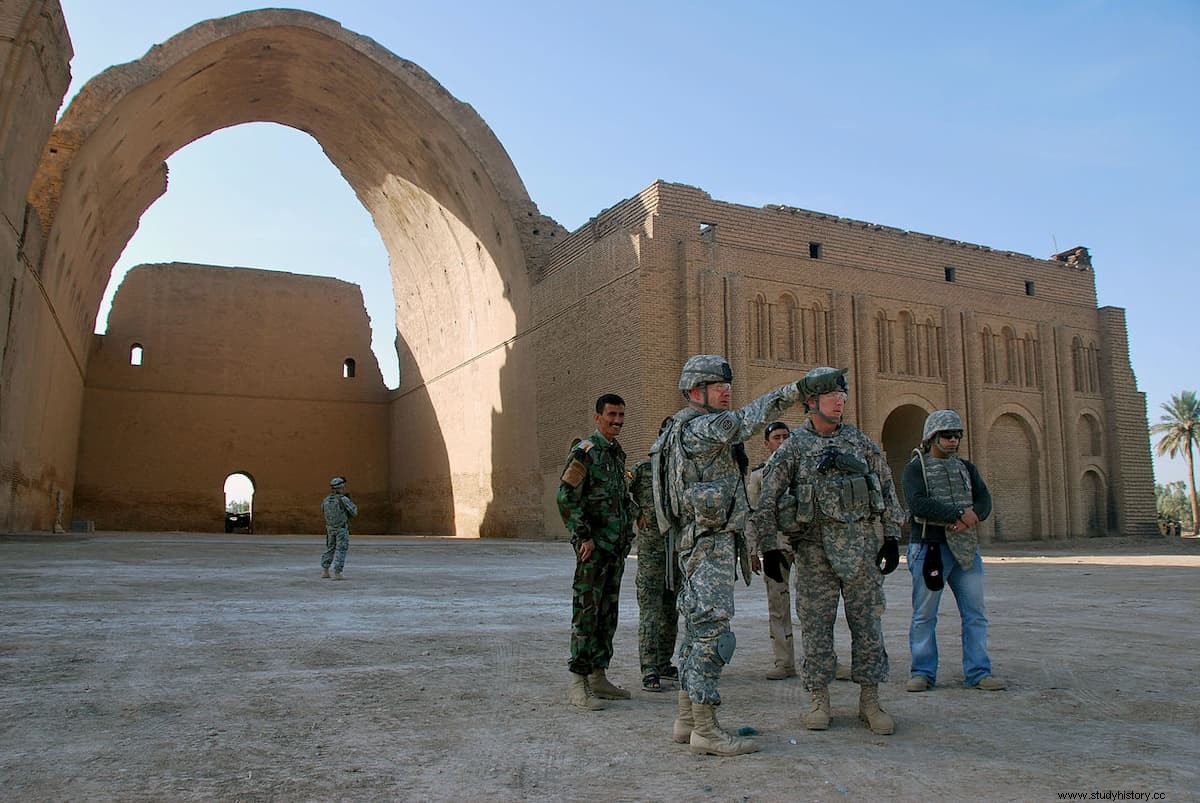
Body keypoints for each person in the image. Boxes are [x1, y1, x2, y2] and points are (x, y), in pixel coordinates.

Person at [652, 355, 826, 757]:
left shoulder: (679, 428)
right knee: (715, 634)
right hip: (708, 542)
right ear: (697, 391)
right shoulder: (701, 426)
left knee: (696, 631)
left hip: (701, 541)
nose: (726, 391)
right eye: (717, 385)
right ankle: (707, 730)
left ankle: (687, 720)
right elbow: (749, 420)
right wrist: (795, 391)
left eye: (727, 384)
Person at [750, 367, 905, 736]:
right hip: (815, 552)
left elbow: (884, 485)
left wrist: (893, 536)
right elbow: (767, 498)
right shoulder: (794, 447)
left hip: (862, 550)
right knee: (817, 627)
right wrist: (768, 546)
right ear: (811, 403)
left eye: (843, 395)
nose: (841, 401)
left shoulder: (859, 442)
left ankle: (870, 700)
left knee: (868, 625)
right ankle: (819, 698)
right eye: (834, 395)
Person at [903, 409, 1007, 692]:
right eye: (947, 435)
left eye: (957, 435)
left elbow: (983, 498)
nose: (953, 440)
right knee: (924, 615)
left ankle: (979, 672)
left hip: (965, 551)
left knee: (975, 613)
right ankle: (922, 672)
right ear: (932, 437)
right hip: (930, 549)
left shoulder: (966, 468)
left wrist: (976, 514)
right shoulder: (917, 468)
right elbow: (918, 504)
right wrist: (959, 514)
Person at [558, 393, 638, 711]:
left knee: (608, 615)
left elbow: (618, 497)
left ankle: (598, 676)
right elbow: (565, 495)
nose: (617, 421)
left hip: (615, 550)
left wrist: (637, 513)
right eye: (611, 415)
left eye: (621, 415)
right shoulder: (586, 452)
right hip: (594, 550)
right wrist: (583, 536)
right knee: (587, 615)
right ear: (597, 417)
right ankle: (578, 681)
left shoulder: (617, 455)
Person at [627, 418, 679, 693]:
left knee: (672, 610)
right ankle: (648, 669)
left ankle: (663, 662)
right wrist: (637, 514)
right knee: (650, 612)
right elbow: (617, 490)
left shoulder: (682, 473)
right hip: (650, 556)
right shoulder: (643, 470)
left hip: (676, 553)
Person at [746, 422, 797, 679]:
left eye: (786, 436)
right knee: (778, 604)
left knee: (816, 605)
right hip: (775, 546)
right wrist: (753, 551)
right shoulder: (759, 475)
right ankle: (784, 661)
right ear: (767, 444)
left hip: (806, 544)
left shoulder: (804, 469)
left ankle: (821, 659)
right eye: (776, 437)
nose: (782, 441)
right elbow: (754, 515)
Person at [321, 477, 358, 580]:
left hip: (330, 528)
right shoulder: (343, 499)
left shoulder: (326, 500)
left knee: (330, 548)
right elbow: (354, 512)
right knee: (341, 549)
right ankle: (338, 572)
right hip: (341, 528)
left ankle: (325, 570)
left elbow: (323, 511)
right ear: (341, 487)